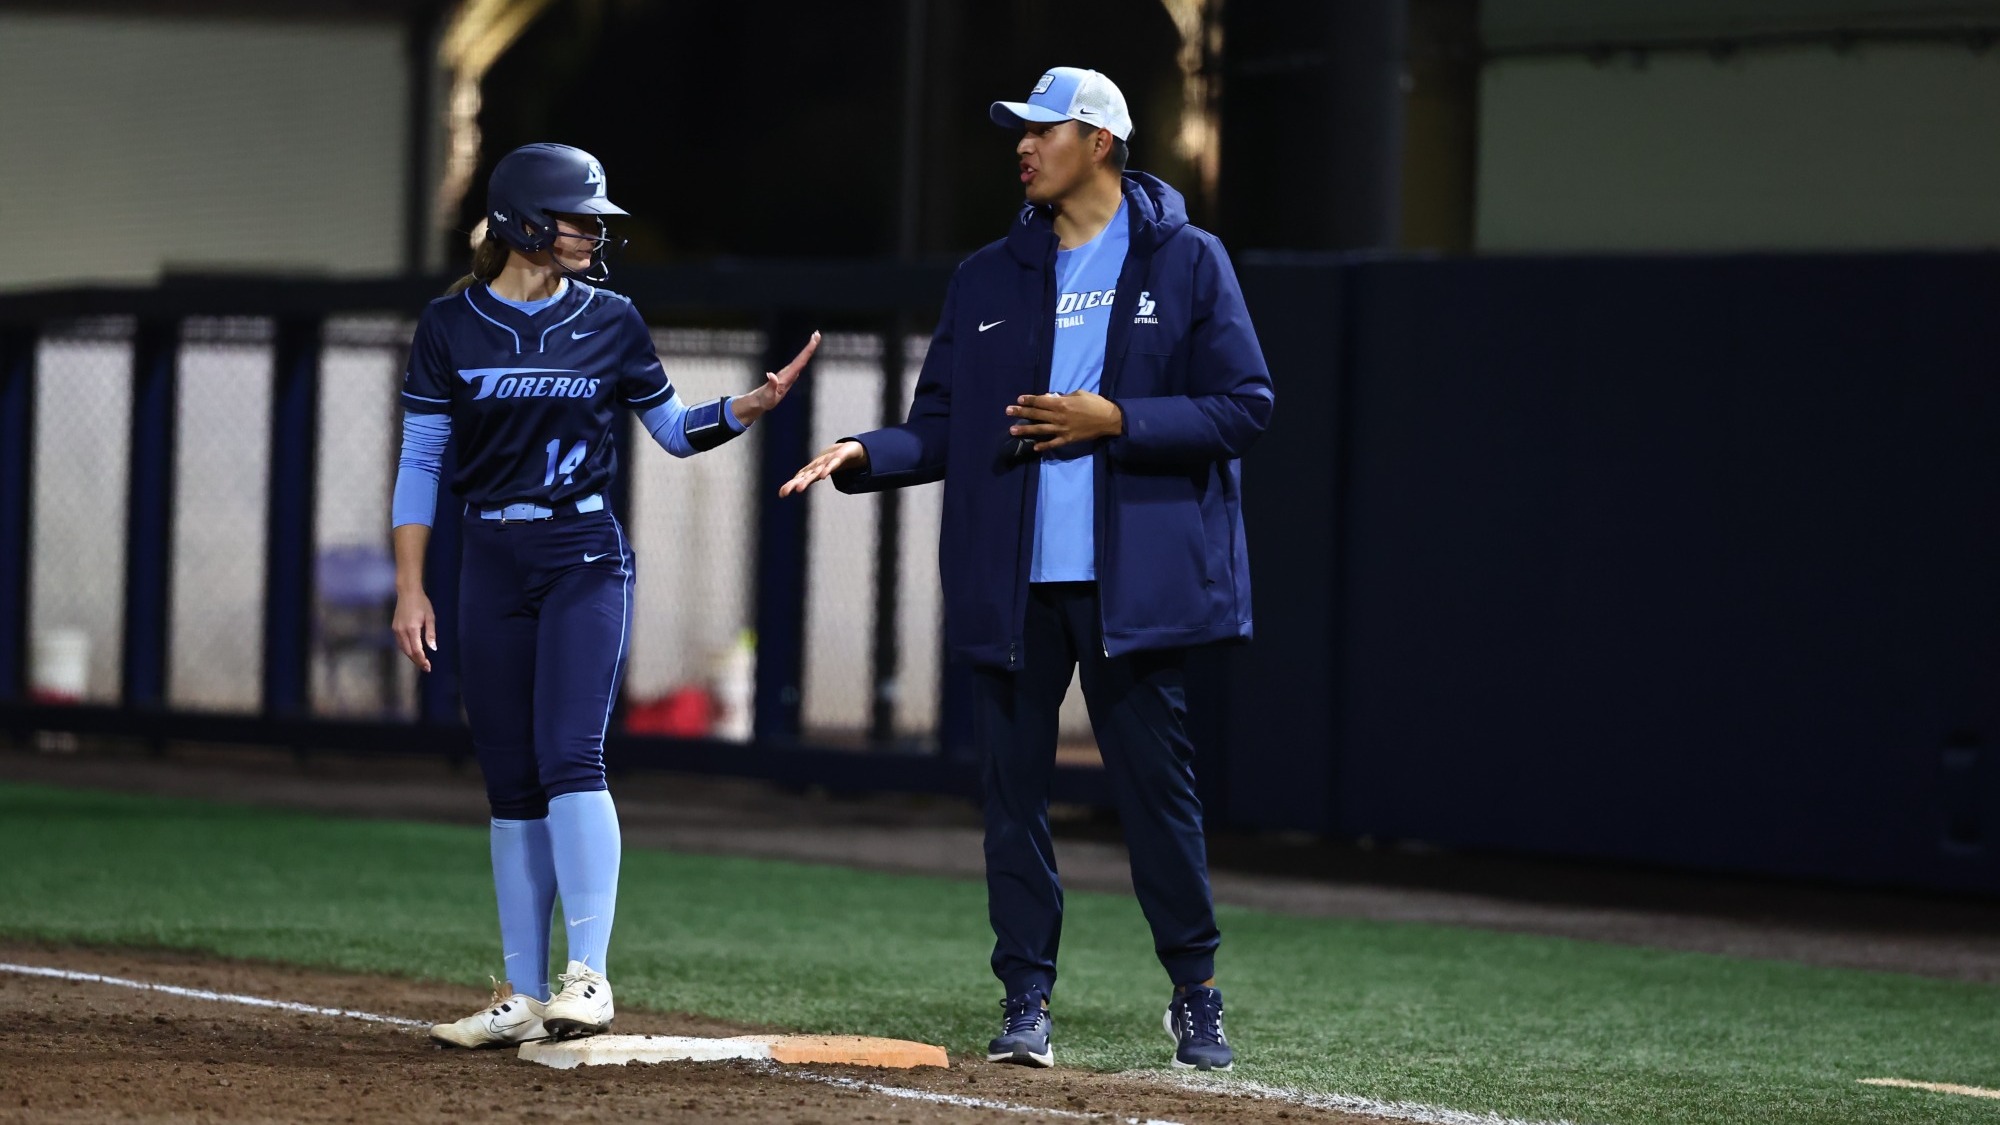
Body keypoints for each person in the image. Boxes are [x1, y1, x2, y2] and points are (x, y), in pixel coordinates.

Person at [783, 68, 1272, 1072]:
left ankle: (1195, 994)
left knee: (1156, 798)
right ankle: (1025, 1001)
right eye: (1016, 132)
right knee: (1011, 801)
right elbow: (944, 426)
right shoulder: (985, 275)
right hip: (1011, 588)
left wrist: (1118, 421)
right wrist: (867, 454)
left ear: (1096, 141)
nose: (1019, 146)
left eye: (1039, 129)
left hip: (1131, 586)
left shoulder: (1186, 260)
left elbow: (1244, 406)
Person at [392, 142, 818, 1048]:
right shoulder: (448, 324)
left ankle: (589, 977)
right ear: (519, 222)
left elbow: (669, 430)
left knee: (568, 755)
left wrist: (743, 409)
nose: (592, 230)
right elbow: (421, 462)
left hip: (582, 551)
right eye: (576, 215)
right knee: (509, 778)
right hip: (488, 558)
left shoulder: (614, 319)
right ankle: (521, 989)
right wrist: (410, 586)